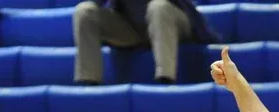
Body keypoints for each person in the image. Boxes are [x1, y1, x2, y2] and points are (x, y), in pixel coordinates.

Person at [71, 0, 217, 85]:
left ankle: (165, 80)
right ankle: (88, 82)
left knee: (158, 7)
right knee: (85, 12)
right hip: (133, 28)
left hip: (172, 20)